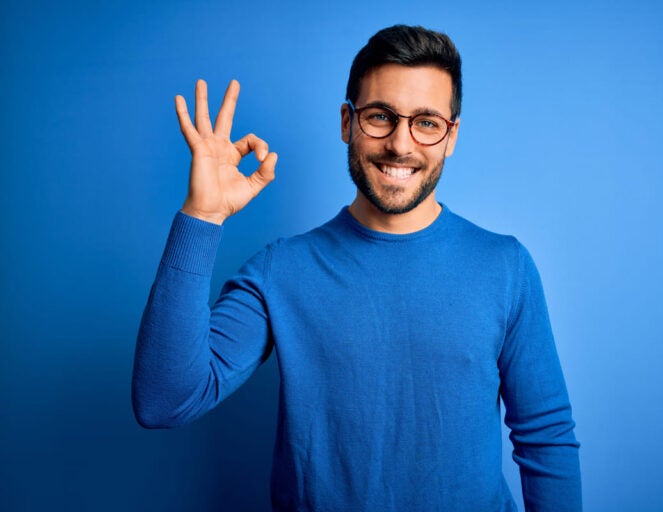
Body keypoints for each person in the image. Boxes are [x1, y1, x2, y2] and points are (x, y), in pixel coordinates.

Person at [133, 24, 581, 511]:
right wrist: (202, 217)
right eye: (380, 117)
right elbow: (164, 400)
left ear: (451, 136)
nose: (401, 144)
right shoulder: (279, 271)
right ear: (347, 122)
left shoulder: (506, 267)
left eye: (426, 122)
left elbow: (546, 439)